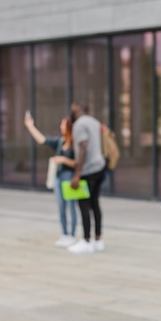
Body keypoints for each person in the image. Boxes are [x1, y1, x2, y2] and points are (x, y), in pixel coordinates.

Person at [24, 111, 78, 248]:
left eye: (63, 124)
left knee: (72, 206)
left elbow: (78, 163)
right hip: (59, 178)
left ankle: (72, 235)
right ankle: (64, 234)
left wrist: (63, 159)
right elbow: (42, 140)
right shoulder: (60, 142)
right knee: (61, 206)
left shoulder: (75, 144)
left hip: (70, 178)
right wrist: (30, 126)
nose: (61, 126)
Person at [66, 102, 106, 254]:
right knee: (95, 203)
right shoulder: (94, 121)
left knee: (83, 204)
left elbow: (83, 147)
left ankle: (86, 241)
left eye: (73, 108)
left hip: (88, 170)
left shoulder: (79, 125)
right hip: (100, 167)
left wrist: (77, 174)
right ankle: (98, 239)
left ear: (78, 109)